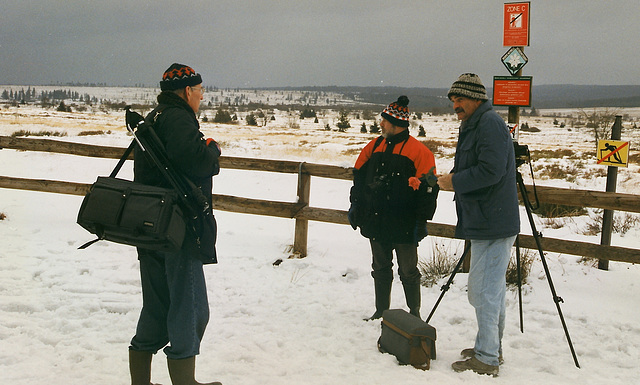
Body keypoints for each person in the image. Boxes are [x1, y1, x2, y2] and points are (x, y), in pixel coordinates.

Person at [129, 63, 222, 385]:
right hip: (177, 228)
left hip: (150, 224)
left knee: (157, 305)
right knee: (190, 307)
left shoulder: (155, 117)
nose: (201, 97)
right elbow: (195, 160)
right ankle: (185, 382)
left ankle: (140, 380)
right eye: (199, 91)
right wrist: (212, 149)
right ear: (187, 92)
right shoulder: (180, 118)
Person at [437, 73, 520, 376]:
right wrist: (451, 178)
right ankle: (490, 347)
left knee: (483, 291)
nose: (455, 105)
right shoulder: (473, 124)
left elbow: (490, 171)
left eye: (459, 99)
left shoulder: (489, 125)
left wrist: (455, 181)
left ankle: (486, 358)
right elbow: (478, 167)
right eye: (452, 100)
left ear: (475, 98)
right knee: (490, 290)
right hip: (487, 219)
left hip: (494, 221)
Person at [348, 96, 437, 321]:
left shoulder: (420, 152)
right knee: (380, 267)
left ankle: (414, 313)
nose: (380, 124)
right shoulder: (374, 146)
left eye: (384, 121)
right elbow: (358, 177)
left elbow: (430, 189)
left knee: (408, 270)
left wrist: (421, 221)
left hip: (404, 223)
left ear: (396, 124)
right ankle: (381, 311)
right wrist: (356, 204)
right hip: (375, 219)